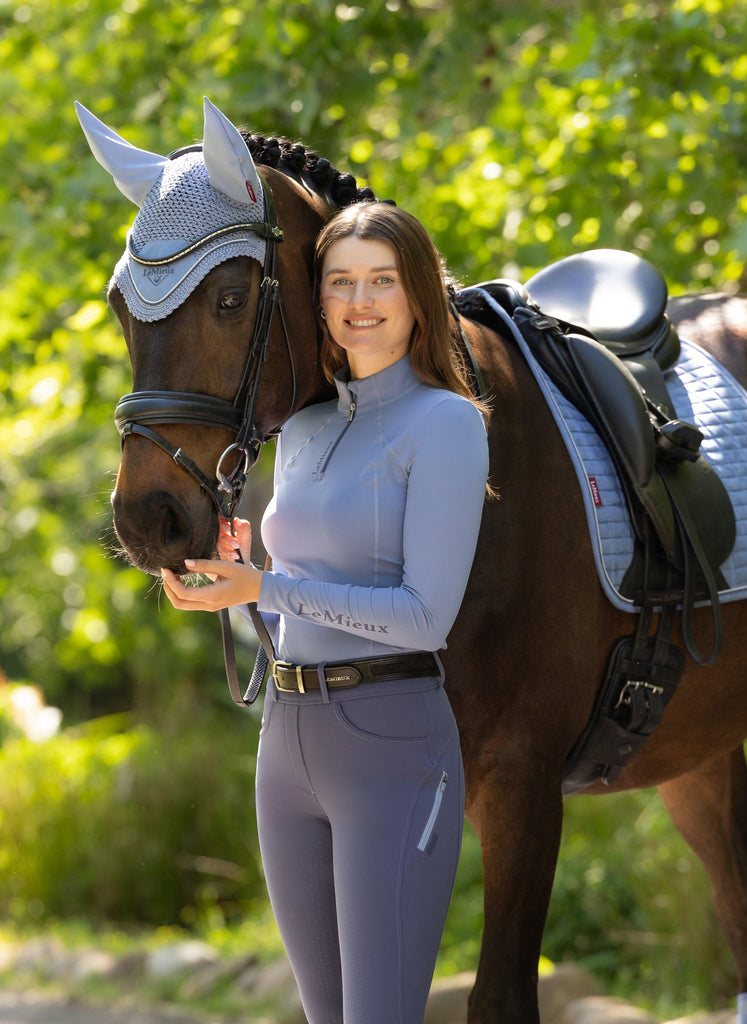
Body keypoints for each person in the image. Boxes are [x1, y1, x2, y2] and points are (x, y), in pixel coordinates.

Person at [161, 201, 490, 1024]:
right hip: (288, 742)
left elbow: (423, 618)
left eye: (383, 279)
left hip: (392, 743)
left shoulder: (445, 423)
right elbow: (292, 600)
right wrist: (237, 585)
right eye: (340, 282)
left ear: (419, 294)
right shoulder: (301, 430)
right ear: (319, 302)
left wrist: (264, 590)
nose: (360, 300)